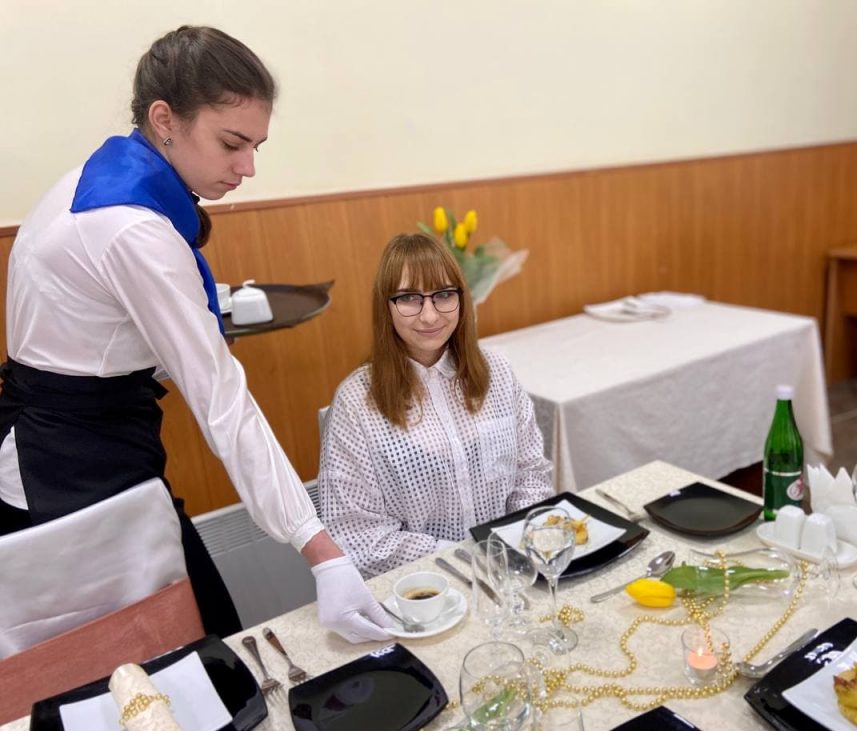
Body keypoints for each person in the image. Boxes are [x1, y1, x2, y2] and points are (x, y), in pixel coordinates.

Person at [0, 26, 391, 643]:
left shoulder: (98, 180)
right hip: (69, 470)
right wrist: (321, 549)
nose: (248, 168)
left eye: (256, 146)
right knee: (169, 650)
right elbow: (221, 402)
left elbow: (102, 331)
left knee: (193, 634)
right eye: (232, 143)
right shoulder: (131, 227)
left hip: (72, 437)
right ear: (164, 119)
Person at [319, 233, 553, 577]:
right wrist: (469, 557)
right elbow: (357, 535)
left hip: (511, 570)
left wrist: (518, 542)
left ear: (461, 298)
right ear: (386, 306)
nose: (429, 316)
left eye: (443, 295)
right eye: (409, 298)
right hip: (424, 586)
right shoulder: (356, 402)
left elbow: (531, 474)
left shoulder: (498, 372)